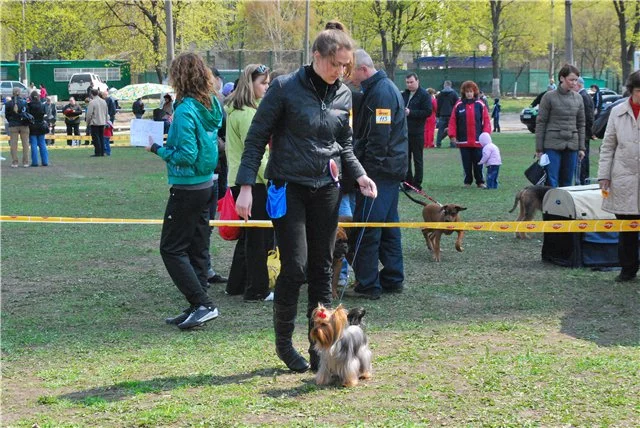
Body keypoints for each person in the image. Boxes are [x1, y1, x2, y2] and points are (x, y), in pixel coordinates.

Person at [234, 21, 377, 373]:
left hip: (326, 188)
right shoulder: (284, 88)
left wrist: (360, 174)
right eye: (335, 64)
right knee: (295, 267)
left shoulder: (344, 95)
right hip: (288, 187)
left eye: (345, 66)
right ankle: (284, 344)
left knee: (321, 268)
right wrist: (246, 187)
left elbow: (344, 144)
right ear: (316, 55)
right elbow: (256, 138)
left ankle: (320, 350)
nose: (340, 71)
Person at [146, 52, 223, 330]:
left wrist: (158, 149)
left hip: (188, 186)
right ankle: (197, 305)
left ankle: (202, 303)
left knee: (171, 249)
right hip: (206, 184)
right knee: (197, 247)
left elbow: (187, 155)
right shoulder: (211, 104)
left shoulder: (186, 109)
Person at [346, 48, 406, 300]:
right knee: (389, 227)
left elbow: (380, 138)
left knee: (367, 228)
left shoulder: (381, 93)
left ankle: (368, 284)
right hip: (389, 171)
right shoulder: (381, 89)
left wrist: (366, 174)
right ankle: (392, 278)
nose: (347, 77)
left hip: (379, 172)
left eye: (349, 71)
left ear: (362, 69)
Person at [223, 64, 273, 302]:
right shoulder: (248, 115)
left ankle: (236, 284)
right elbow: (256, 153)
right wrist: (271, 179)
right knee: (257, 238)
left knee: (249, 235)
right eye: (263, 83)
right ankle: (257, 289)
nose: (266, 87)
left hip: (240, 179)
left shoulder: (236, 110)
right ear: (249, 84)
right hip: (252, 182)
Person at [597, 70, 640, 283]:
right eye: (639, 90)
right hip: (623, 177)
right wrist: (603, 175)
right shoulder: (617, 112)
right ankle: (628, 269)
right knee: (626, 228)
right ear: (631, 90)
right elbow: (608, 146)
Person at [535, 64, 585, 187]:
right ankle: (551, 200)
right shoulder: (548, 97)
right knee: (551, 181)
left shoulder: (578, 98)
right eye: (571, 80)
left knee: (567, 182)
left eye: (576, 80)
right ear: (562, 78)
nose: (574, 83)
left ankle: (564, 201)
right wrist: (539, 149)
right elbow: (541, 123)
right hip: (552, 144)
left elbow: (581, 124)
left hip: (572, 144)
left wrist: (581, 147)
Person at [448, 80, 491, 188]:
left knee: (479, 162)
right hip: (463, 140)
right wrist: (452, 135)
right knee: (466, 163)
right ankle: (467, 181)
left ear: (474, 92)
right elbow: (453, 121)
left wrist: (486, 135)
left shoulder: (480, 104)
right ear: (464, 92)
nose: (469, 94)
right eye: (467, 92)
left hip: (478, 140)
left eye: (471, 91)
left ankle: (480, 181)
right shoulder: (458, 105)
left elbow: (486, 120)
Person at [401, 72, 432, 191]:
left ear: (417, 81)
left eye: (411, 82)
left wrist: (411, 112)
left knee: (418, 159)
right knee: (406, 159)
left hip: (417, 132)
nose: (409, 84)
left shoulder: (424, 95)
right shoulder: (404, 95)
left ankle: (417, 184)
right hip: (405, 132)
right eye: (407, 82)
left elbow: (428, 112)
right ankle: (407, 183)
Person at [5, 87, 31, 168]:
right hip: (24, 125)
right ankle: (25, 162)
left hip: (13, 125)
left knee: (13, 144)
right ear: (20, 93)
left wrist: (11, 121)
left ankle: (15, 162)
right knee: (25, 144)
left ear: (12, 93)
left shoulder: (8, 104)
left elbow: (7, 115)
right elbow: (28, 113)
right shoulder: (24, 102)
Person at [575, 77, 594, 185]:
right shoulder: (585, 95)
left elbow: (588, 117)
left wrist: (589, 132)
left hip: (584, 133)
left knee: (583, 158)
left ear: (579, 84)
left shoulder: (583, 96)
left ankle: (583, 180)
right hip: (586, 132)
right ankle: (584, 180)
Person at [26, 90, 49, 167]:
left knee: (33, 144)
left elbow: (27, 116)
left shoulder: (29, 105)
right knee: (42, 144)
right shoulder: (42, 105)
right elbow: (45, 115)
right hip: (41, 126)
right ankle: (45, 161)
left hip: (32, 126)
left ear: (31, 97)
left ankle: (35, 162)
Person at [435, 80, 459, 148]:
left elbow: (438, 105)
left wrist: (437, 115)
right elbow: (457, 104)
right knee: (452, 129)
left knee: (440, 130)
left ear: (444, 85)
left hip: (442, 114)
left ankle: (438, 143)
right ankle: (453, 144)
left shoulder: (440, 94)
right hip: (451, 114)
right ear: (450, 85)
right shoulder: (454, 93)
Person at [85, 89, 108, 157]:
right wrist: (106, 121)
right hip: (102, 122)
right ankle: (102, 152)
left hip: (95, 123)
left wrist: (87, 122)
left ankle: (97, 152)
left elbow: (89, 114)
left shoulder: (92, 102)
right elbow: (106, 113)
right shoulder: (104, 101)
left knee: (96, 139)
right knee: (101, 138)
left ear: (91, 94)